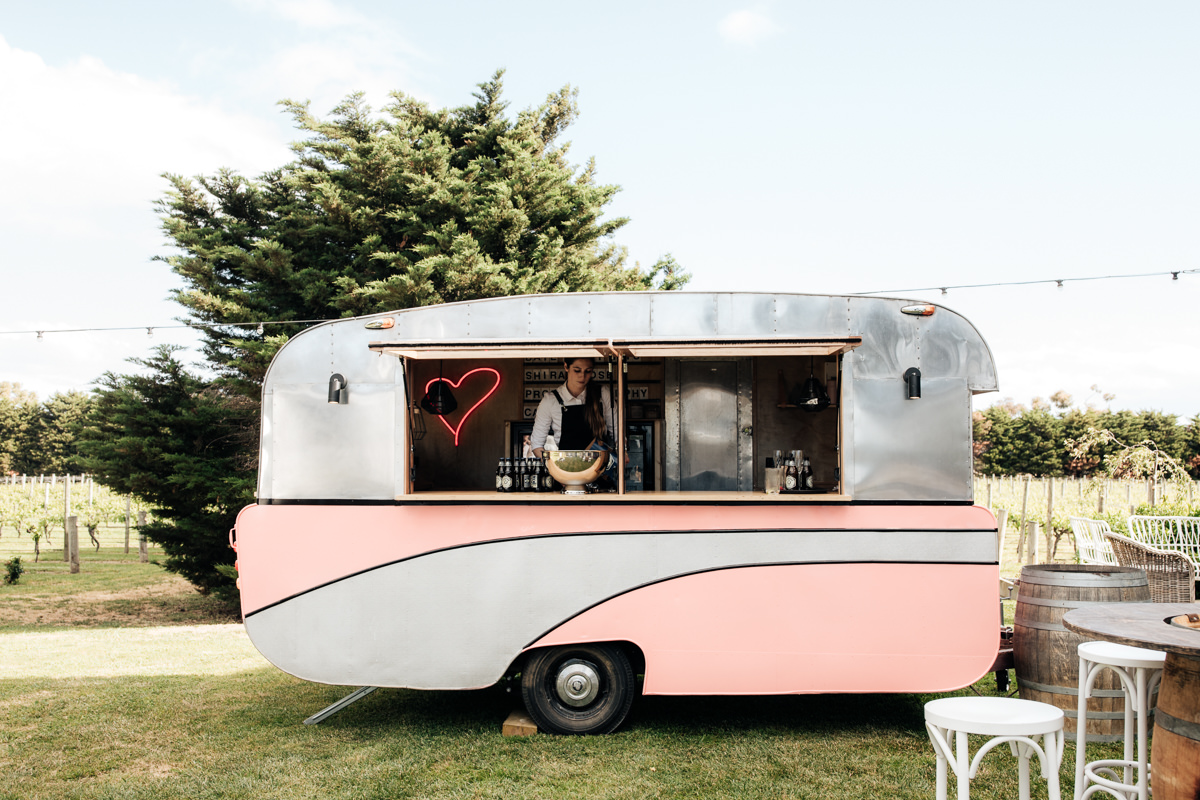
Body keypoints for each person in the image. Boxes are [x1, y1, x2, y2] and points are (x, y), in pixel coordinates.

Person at [530, 358, 624, 486]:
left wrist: (623, 452)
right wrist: (557, 472)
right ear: (566, 367)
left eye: (588, 371)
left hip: (601, 474)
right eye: (577, 370)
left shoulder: (602, 394)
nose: (582, 376)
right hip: (566, 476)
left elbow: (617, 429)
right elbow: (537, 445)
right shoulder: (551, 400)